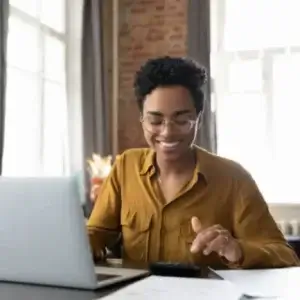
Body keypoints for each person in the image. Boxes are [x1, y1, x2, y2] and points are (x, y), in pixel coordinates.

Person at [87, 56, 299, 269]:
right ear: (142, 119)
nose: (167, 132)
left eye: (181, 120)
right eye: (155, 120)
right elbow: (97, 233)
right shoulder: (126, 167)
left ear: (199, 118)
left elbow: (285, 256)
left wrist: (237, 250)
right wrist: (80, 244)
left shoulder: (234, 179)